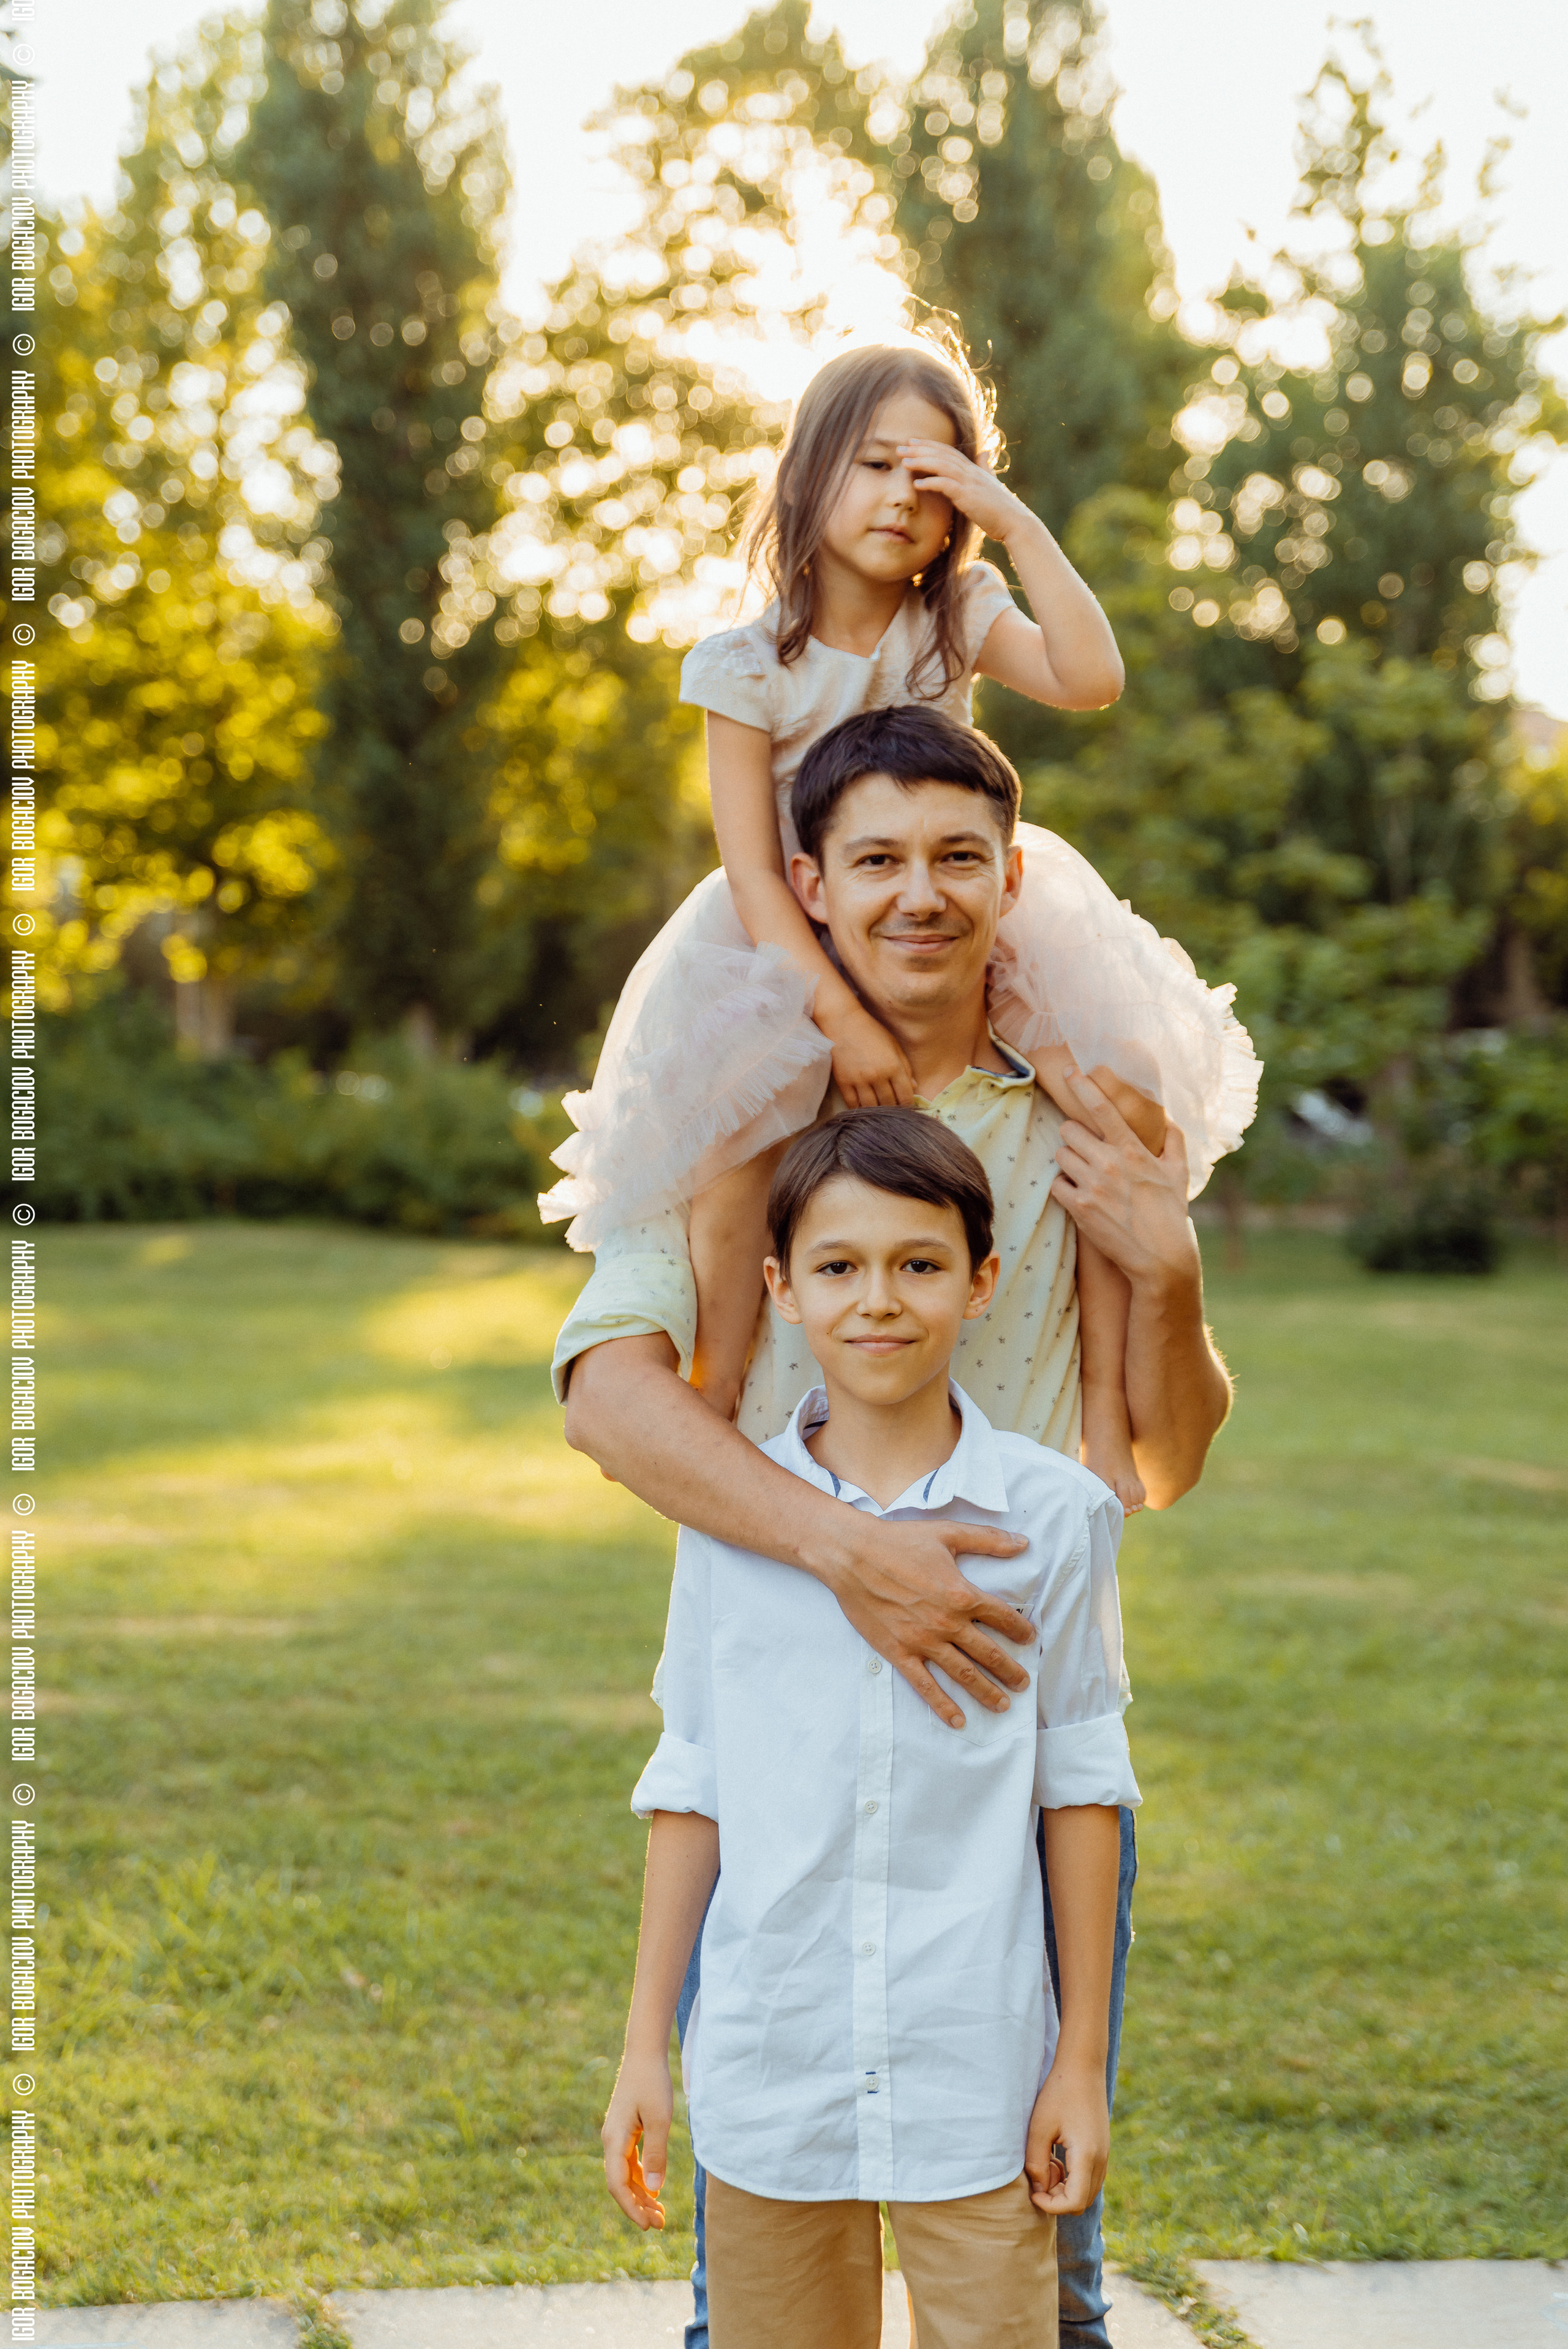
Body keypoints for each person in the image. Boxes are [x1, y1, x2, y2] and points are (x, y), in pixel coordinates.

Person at [557, 700, 1234, 2349]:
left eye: (956, 860)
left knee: (1026, 2243)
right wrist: (849, 1548)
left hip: (1011, 1702)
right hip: (791, 1685)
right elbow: (611, 1388)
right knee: (768, 2244)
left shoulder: (1082, 1114)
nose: (919, 894)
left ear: (1011, 880)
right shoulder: (743, 1118)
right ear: (809, 880)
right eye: (876, 861)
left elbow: (1163, 1455)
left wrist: (1175, 1269)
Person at [541, 330, 1258, 1512]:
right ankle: (720, 1399)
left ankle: (1102, 1428)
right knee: (731, 1157)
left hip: (941, 902)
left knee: (1111, 1107)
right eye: (875, 465)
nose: (902, 499)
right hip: (780, 936)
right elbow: (756, 872)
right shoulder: (745, 661)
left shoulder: (959, 612)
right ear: (808, 473)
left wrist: (1016, 524)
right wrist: (838, 1022)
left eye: (935, 479)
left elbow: (1088, 679)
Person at [601, 1109, 1140, 2349]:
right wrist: (644, 2046)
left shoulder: (1052, 1519)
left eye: (918, 1262)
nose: (878, 1301)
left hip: (978, 2070)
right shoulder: (729, 1516)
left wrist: (1076, 2064)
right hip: (768, 2057)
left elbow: (1081, 1784)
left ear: (979, 1279)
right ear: (781, 1290)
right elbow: (691, 1779)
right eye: (837, 1267)